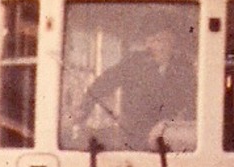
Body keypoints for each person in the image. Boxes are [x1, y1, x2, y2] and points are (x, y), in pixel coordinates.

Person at [76, 16, 196, 150]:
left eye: (158, 40)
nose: (151, 46)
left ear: (171, 42)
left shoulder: (184, 68)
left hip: (169, 141)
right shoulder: (133, 63)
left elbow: (193, 102)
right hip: (133, 139)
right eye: (149, 41)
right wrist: (83, 109)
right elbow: (102, 84)